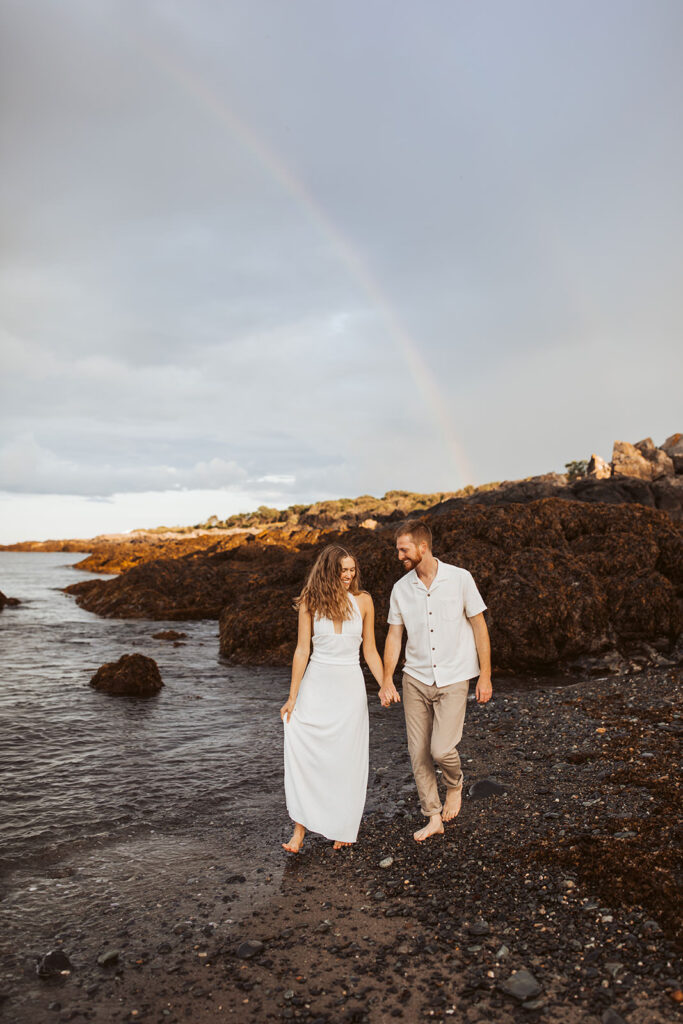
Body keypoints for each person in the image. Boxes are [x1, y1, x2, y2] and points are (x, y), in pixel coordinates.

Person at [379, 519, 492, 842]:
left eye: (403, 549)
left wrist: (485, 674)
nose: (399, 555)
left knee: (441, 750)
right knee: (418, 753)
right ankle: (432, 815)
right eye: (397, 550)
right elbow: (394, 636)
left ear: (422, 547)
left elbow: (479, 626)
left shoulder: (460, 579)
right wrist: (387, 679)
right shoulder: (401, 588)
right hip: (414, 678)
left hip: (455, 677)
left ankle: (454, 784)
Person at [280, 544, 384, 853]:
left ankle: (343, 825)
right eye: (343, 570)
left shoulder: (364, 601)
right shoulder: (310, 602)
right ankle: (299, 831)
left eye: (352, 569)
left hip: (350, 686)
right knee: (305, 752)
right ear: (329, 571)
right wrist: (292, 697)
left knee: (346, 759)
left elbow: (370, 651)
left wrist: (385, 684)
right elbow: (302, 651)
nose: (349, 575)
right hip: (317, 684)